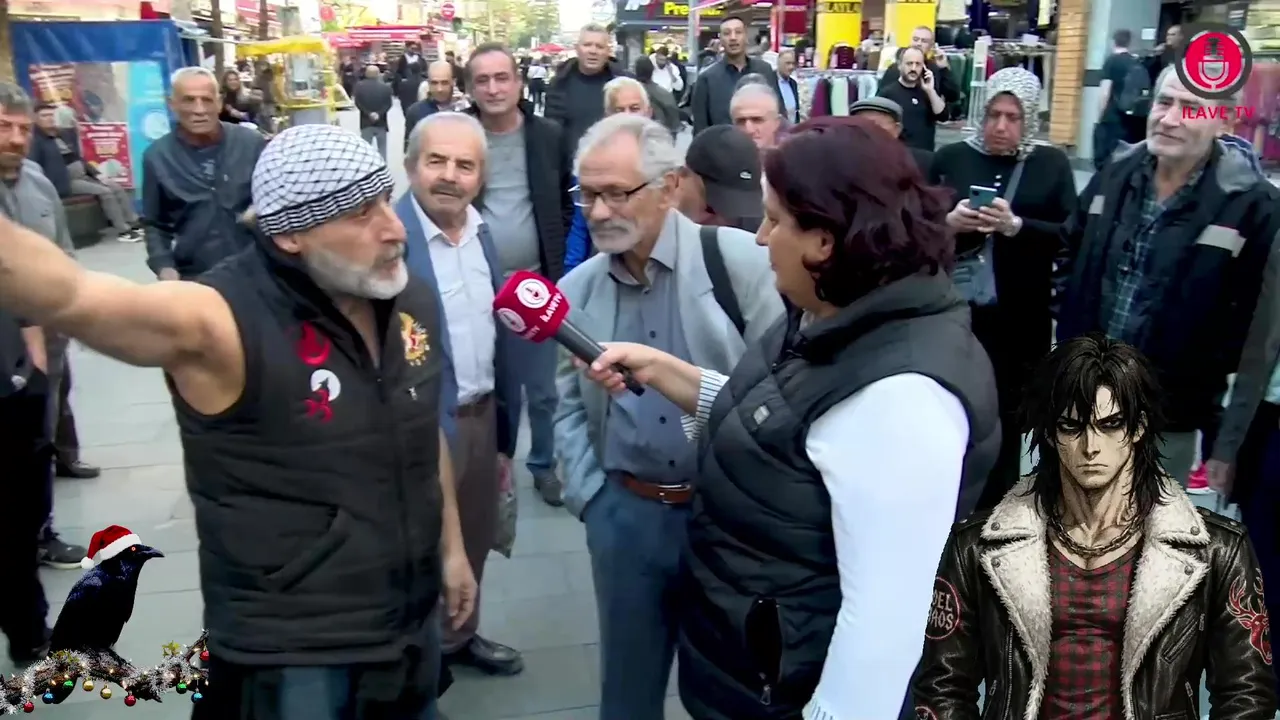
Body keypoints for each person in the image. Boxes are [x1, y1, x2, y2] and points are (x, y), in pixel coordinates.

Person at [0, 122, 477, 719]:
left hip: (409, 625)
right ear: (291, 233)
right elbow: (71, 295)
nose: (394, 228)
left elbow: (419, 430)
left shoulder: (407, 298)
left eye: (385, 200)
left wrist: (451, 550)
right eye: (360, 214)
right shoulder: (221, 319)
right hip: (294, 654)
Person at [574, 115, 999, 720]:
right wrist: (667, 373)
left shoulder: (902, 397)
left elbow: (886, 623)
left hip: (791, 687)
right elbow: (783, 426)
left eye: (774, 220)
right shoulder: (830, 312)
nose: (758, 237)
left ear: (824, 241)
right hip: (757, 672)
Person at [913, 333, 1279, 719]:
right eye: (1072, 426)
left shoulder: (1217, 550)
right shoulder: (976, 547)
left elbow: (1247, 694)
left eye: (1110, 425)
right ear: (1051, 433)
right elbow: (942, 688)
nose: (1091, 446)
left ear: (1137, 428)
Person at [554, 112, 782, 720]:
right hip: (627, 516)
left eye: (615, 192)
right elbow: (567, 406)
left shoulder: (742, 264)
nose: (598, 211)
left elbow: (781, 391)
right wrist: (594, 501)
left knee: (734, 692)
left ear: (669, 186)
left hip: (726, 520)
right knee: (628, 693)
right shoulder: (576, 292)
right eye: (586, 194)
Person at [1055, 65, 1280, 485]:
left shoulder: (1252, 206)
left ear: (1224, 121)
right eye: (1164, 102)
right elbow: (1070, 246)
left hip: (1166, 419)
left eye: (1190, 108)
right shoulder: (1115, 173)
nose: (1169, 118)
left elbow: (1254, 323)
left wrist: (1204, 376)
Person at [399, 111, 525, 678]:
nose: (450, 176)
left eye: (465, 165)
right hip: (422, 426)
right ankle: (415, 665)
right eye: (437, 161)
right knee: (420, 547)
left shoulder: (482, 232)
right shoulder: (390, 237)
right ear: (411, 167)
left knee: (472, 536)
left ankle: (457, 638)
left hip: (482, 413)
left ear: (481, 176)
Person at [931, 67, 1078, 511]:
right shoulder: (952, 158)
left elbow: (1071, 234)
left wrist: (1017, 226)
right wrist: (949, 223)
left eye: (1013, 117)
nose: (1000, 126)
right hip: (957, 315)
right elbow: (916, 226)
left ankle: (999, 517)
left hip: (1020, 319)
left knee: (1009, 421)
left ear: (1029, 119)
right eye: (993, 114)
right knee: (951, 414)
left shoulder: (1050, 165)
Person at [466, 43, 576, 505]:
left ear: (518, 83)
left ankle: (544, 464)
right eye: (482, 80)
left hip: (535, 284)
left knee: (544, 389)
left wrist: (559, 263)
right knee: (484, 388)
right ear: (470, 88)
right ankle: (493, 467)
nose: (493, 89)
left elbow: (567, 203)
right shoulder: (460, 136)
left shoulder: (548, 135)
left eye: (501, 78)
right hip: (474, 285)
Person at [0, 84, 91, 572]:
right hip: (5, 345)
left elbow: (64, 253)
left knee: (42, 432)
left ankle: (40, 531)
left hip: (48, 337)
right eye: (4, 127)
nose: (16, 139)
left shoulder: (37, 181)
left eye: (24, 129)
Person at [143, 67, 266, 281]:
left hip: (257, 270)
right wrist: (165, 268)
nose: (199, 110)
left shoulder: (250, 143)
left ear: (219, 103)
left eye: (207, 100)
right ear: (172, 104)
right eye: (188, 100)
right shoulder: (157, 157)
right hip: (196, 274)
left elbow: (277, 199)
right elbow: (155, 224)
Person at [30, 103, 140, 243]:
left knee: (115, 186)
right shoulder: (35, 141)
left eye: (52, 115)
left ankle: (133, 221)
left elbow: (78, 158)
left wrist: (96, 174)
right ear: (35, 118)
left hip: (83, 175)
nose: (50, 118)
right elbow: (33, 166)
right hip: (65, 182)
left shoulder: (62, 135)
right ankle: (122, 230)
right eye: (44, 115)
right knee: (105, 192)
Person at [690, 15, 784, 135]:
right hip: (724, 145)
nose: (733, 38)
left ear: (746, 36)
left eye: (738, 32)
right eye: (727, 33)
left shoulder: (765, 70)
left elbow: (779, 112)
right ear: (720, 39)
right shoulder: (707, 78)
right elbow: (700, 129)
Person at [544, 24, 628, 155]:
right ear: (577, 48)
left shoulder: (624, 83)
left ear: (608, 51)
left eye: (599, 46)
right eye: (587, 45)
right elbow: (551, 133)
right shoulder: (559, 84)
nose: (593, 51)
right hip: (570, 163)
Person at [674, 125, 764, 231]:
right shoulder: (660, 225)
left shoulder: (760, 232)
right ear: (680, 177)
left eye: (739, 209)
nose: (722, 220)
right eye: (710, 208)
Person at [877, 46, 947, 152]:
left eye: (918, 64)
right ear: (900, 66)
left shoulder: (927, 92)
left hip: (925, 155)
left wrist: (930, 91)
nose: (913, 68)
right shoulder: (887, 93)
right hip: (899, 155)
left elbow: (943, 116)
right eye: (909, 63)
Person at [1093, 29, 1145, 170]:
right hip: (1131, 118)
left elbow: (1105, 91)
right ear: (1130, 43)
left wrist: (1100, 116)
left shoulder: (1112, 61)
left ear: (1113, 42)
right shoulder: (1136, 62)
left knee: (1106, 158)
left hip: (1112, 116)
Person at [878, 25, 960, 108]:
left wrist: (944, 69)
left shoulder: (934, 68)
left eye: (924, 41)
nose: (918, 44)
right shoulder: (897, 67)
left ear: (931, 46)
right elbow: (881, 98)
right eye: (915, 39)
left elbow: (953, 97)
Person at [847, 96, 933, 172]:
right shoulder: (843, 163)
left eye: (877, 126)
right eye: (862, 125)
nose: (868, 131)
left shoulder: (922, 163)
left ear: (897, 129)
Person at [404, 60, 458, 151]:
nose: (439, 89)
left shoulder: (467, 110)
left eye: (444, 83)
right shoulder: (415, 112)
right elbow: (409, 149)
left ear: (453, 82)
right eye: (434, 83)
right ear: (428, 83)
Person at [632, 58, 681, 136]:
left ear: (634, 71)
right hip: (658, 136)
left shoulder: (628, 92)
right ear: (652, 71)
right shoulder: (664, 94)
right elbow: (674, 125)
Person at [729, 80, 783, 150]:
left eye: (757, 120)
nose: (749, 130)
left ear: (776, 123)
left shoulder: (793, 155)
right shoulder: (720, 156)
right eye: (740, 121)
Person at [354, 65, 393, 160]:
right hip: (381, 122)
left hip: (366, 122)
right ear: (378, 74)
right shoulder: (385, 87)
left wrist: (368, 113)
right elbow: (388, 104)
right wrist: (379, 113)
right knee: (382, 148)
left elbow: (358, 103)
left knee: (365, 148)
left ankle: (366, 165)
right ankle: (382, 165)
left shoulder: (359, 86)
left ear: (366, 74)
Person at [393, 41, 428, 112]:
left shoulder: (420, 59)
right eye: (412, 48)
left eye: (415, 48)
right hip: (407, 86)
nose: (414, 50)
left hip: (419, 84)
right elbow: (398, 73)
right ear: (407, 48)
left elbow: (425, 70)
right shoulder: (402, 59)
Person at [776, 49, 799, 124]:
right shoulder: (770, 81)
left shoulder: (793, 83)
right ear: (778, 63)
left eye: (793, 63)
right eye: (788, 63)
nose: (791, 67)